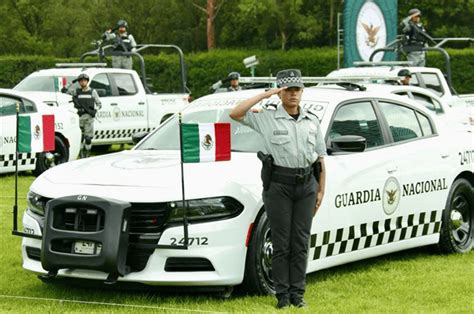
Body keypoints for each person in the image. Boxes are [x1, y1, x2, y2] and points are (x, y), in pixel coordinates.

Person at [229, 69, 327, 309]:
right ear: (280, 92)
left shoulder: (312, 120)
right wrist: (265, 94)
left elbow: (320, 159)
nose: (293, 94)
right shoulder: (266, 117)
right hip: (279, 186)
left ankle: (298, 295)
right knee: (282, 243)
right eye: (288, 90)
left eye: (297, 89)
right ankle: (282, 296)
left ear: (302, 91)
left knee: (300, 242)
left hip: (306, 185)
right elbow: (235, 113)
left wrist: (321, 190)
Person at [66, 73, 102, 158]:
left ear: (87, 81)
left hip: (89, 118)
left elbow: (99, 104)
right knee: (80, 137)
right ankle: (81, 154)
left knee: (88, 138)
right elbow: (63, 90)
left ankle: (87, 153)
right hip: (79, 118)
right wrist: (72, 82)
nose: (82, 82)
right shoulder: (76, 91)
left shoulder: (92, 91)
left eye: (84, 81)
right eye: (80, 81)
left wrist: (95, 110)